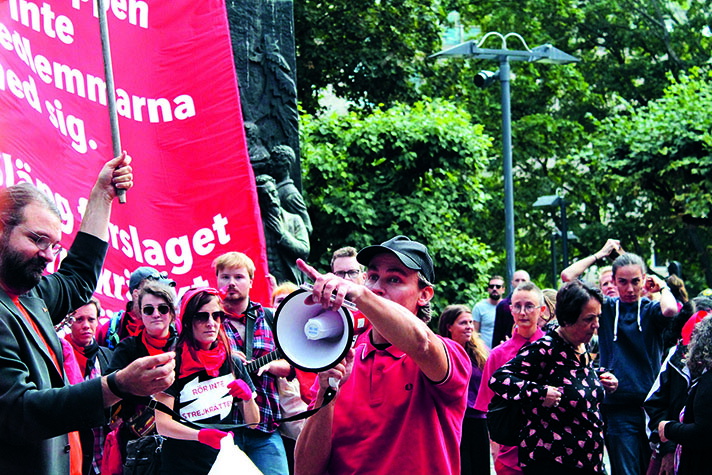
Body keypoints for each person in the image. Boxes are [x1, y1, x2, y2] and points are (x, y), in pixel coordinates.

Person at [0, 153, 176, 474]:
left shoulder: (31, 295)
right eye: (37, 239)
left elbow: (78, 277)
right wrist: (117, 385)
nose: (48, 256)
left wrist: (102, 197)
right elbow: (18, 411)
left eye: (54, 246)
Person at [294, 235, 471, 475]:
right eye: (373, 277)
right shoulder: (342, 356)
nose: (377, 288)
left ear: (424, 295)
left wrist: (362, 295)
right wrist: (327, 396)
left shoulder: (447, 353)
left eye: (395, 279)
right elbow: (305, 469)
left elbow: (421, 343)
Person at [561, 243, 678, 475]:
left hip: (651, 408)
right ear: (613, 282)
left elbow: (671, 310)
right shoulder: (605, 308)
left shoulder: (650, 309)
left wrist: (662, 285)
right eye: (622, 281)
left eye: (635, 281)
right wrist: (600, 254)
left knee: (655, 470)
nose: (630, 288)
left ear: (644, 280)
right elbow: (568, 277)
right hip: (617, 408)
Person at [490, 280, 619, 474]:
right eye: (588, 319)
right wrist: (540, 393)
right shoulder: (546, 348)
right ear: (567, 319)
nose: (596, 325)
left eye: (598, 317)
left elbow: (572, 376)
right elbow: (500, 379)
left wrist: (600, 377)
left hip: (589, 461)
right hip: (552, 462)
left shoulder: (583, 345)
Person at [154, 288, 260, 475]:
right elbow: (162, 424)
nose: (211, 323)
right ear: (188, 322)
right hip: (180, 466)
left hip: (222, 464)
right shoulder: (172, 363)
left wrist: (248, 398)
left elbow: (253, 423)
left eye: (216, 316)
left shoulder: (232, 361)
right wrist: (199, 435)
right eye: (202, 317)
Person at [212, 251, 292, 475]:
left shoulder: (269, 317)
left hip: (266, 427)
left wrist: (273, 366)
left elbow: (292, 363)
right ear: (217, 280)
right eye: (225, 277)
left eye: (238, 277)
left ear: (251, 281)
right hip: (223, 429)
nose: (231, 283)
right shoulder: (208, 318)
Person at [474, 281, 547, 474]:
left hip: (549, 449)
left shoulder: (554, 349)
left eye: (529, 306)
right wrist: (495, 451)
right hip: (509, 454)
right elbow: (487, 406)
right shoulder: (498, 354)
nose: (523, 312)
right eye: (518, 306)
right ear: (511, 310)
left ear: (542, 310)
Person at [105, 281, 179, 463]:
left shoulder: (185, 346)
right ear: (140, 314)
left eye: (162, 309)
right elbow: (109, 388)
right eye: (148, 310)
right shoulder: (127, 349)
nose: (156, 315)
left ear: (172, 312)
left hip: (179, 440)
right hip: (139, 445)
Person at [644, 297, 712, 475]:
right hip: (678, 452)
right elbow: (654, 404)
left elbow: (703, 431)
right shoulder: (675, 358)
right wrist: (668, 447)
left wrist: (670, 429)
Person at [63, 297, 114, 474]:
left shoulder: (108, 356)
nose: (86, 325)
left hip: (103, 457)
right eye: (79, 319)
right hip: (70, 454)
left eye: (91, 319)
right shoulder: (58, 356)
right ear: (69, 322)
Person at [439, 304, 490, 475]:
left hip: (478, 418)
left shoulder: (480, 353)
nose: (469, 326)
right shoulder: (441, 352)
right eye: (463, 323)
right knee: (461, 468)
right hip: (453, 420)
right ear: (449, 326)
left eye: (470, 322)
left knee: (481, 468)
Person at [96, 266, 175, 349]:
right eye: (152, 290)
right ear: (136, 294)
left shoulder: (175, 325)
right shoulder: (111, 329)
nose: (156, 314)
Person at [255, 174, 310, 285]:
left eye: (273, 193)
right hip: (263, 283)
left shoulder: (294, 220)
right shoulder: (255, 224)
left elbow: (304, 250)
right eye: (265, 196)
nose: (271, 199)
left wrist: (282, 235)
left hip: (290, 280)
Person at [331, 246, 370, 336]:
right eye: (340, 273)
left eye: (352, 272)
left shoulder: (376, 309)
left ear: (364, 277)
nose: (346, 279)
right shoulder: (323, 308)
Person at [491, 270, 531, 347]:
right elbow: (497, 332)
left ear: (528, 282)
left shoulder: (535, 303)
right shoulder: (503, 305)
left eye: (523, 280)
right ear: (512, 283)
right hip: (507, 346)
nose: (520, 283)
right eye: (517, 280)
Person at [473, 275, 505, 348]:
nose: (494, 288)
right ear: (488, 289)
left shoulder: (507, 307)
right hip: (485, 352)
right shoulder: (479, 307)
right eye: (491, 286)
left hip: (504, 351)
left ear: (503, 289)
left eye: (498, 286)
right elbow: (475, 333)